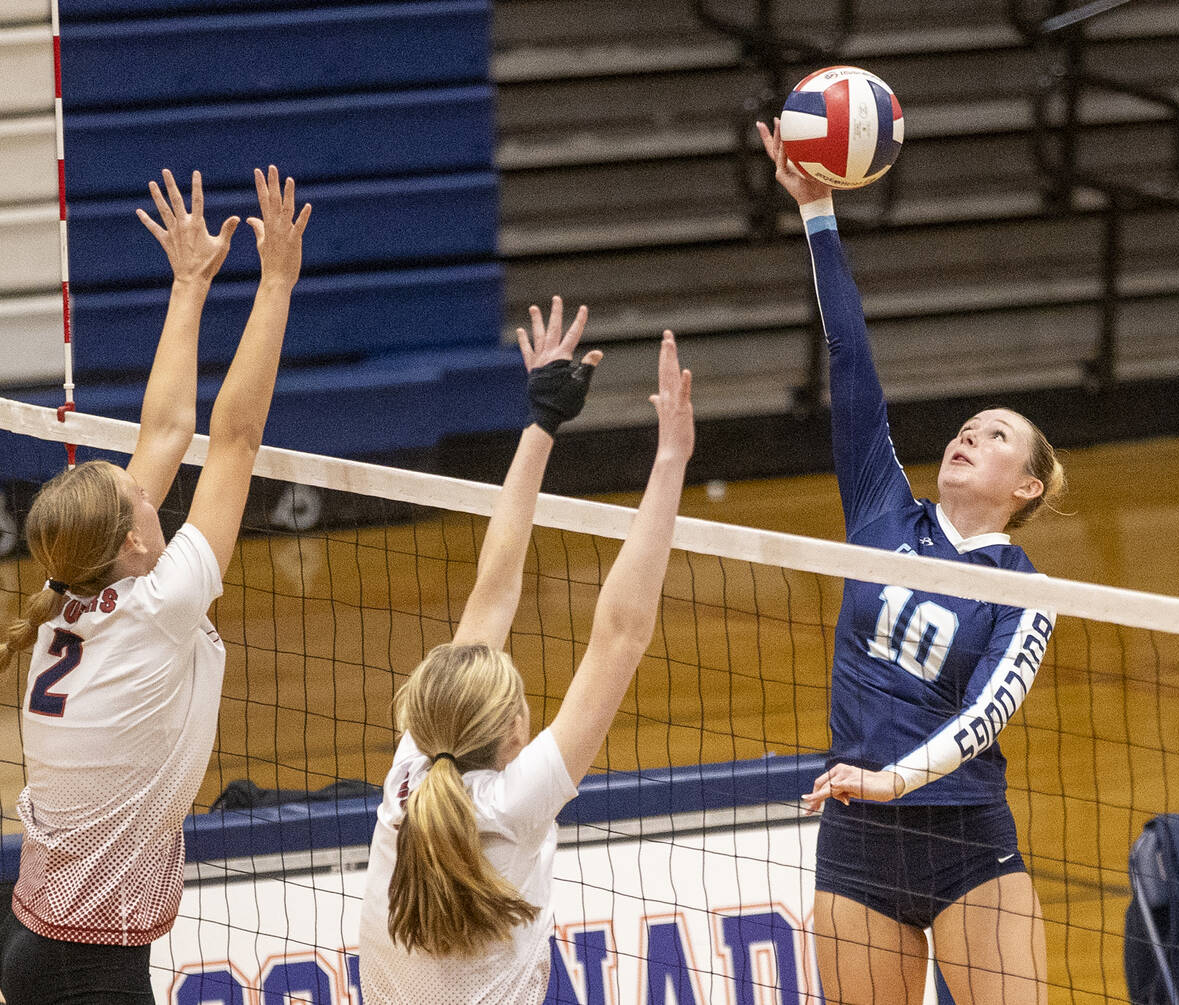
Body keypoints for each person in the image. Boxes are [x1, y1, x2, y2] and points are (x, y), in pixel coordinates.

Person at [758, 119, 1065, 1005]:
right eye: (969, 425)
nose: (971, 433)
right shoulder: (883, 507)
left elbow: (984, 717)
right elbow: (851, 358)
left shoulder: (1025, 590)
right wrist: (818, 212)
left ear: (1029, 487)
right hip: (858, 844)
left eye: (997, 434)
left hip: (966, 837)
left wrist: (894, 778)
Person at [0, 165, 310, 1003]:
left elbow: (169, 428)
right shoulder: (158, 603)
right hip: (81, 962)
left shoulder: (82, 589)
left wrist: (189, 282)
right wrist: (276, 281)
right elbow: (233, 436)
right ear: (133, 538)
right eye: (139, 492)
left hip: (44, 929)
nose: (151, 486)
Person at [356, 297, 694, 1003]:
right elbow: (621, 631)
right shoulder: (515, 798)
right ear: (515, 729)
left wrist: (541, 420)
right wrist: (670, 458)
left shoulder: (409, 777)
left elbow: (492, 594)